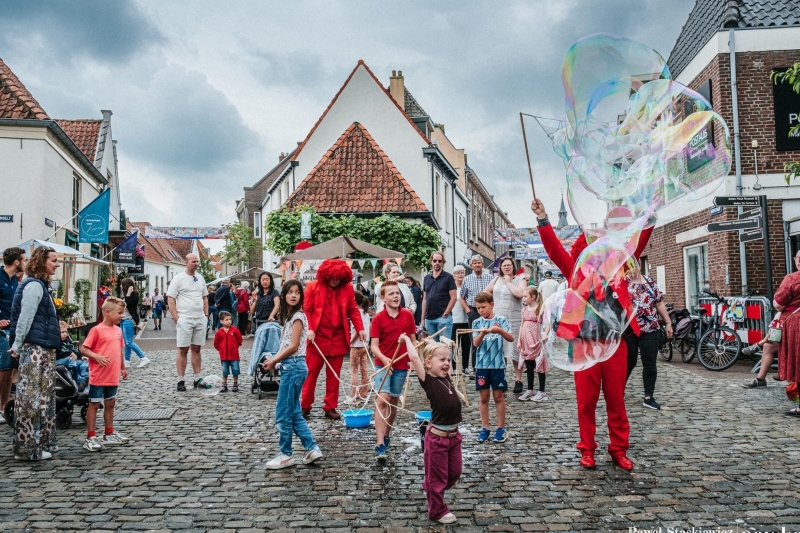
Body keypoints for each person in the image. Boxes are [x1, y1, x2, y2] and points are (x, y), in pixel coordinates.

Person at [532, 198, 651, 470]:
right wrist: (543, 219)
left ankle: (619, 449)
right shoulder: (574, 271)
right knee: (586, 402)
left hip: (615, 343)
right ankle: (587, 449)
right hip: (582, 344)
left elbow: (637, 244)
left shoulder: (617, 269)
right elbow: (554, 250)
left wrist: (650, 217)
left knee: (616, 400)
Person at [400, 334, 461, 525]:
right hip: (437, 439)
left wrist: (431, 344)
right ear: (428, 364)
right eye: (442, 360)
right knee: (438, 478)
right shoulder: (428, 380)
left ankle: (431, 486)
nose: (446, 363)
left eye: (448, 360)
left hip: (454, 436)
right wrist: (407, 340)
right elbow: (414, 358)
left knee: (455, 472)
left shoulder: (446, 377)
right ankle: (437, 510)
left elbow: (436, 355)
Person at [262, 280, 323, 469]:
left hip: (293, 366)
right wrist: (276, 359)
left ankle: (286, 454)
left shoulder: (298, 317)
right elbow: (287, 344)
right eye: (290, 292)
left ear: (301, 296)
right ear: (284, 295)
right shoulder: (290, 317)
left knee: (283, 413)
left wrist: (275, 361)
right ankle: (311, 448)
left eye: (297, 292)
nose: (294, 295)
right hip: (291, 366)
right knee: (295, 412)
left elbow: (294, 346)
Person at [8, 246, 60, 461]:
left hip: (42, 348)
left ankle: (39, 443)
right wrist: (17, 346)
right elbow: (25, 318)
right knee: (31, 400)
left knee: (42, 398)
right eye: (53, 260)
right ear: (41, 262)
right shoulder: (33, 286)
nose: (57, 264)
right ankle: (28, 448)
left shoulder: (41, 285)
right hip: (34, 350)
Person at [302, 259, 365, 420]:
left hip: (337, 337)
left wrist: (360, 328)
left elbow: (353, 310)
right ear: (326, 276)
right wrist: (309, 329)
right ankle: (305, 406)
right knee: (311, 373)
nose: (335, 281)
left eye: (339, 278)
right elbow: (307, 310)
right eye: (332, 277)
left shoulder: (348, 288)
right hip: (317, 337)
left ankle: (330, 406)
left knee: (334, 375)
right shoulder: (312, 287)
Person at [370, 280, 417, 459]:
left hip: (401, 365)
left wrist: (416, 358)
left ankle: (387, 434)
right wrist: (384, 359)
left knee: (393, 402)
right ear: (383, 298)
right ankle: (379, 442)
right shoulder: (378, 318)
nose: (396, 296)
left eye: (397, 293)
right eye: (391, 293)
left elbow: (413, 341)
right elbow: (374, 346)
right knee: (382, 400)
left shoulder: (408, 315)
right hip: (383, 364)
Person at [80, 296, 130, 451]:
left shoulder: (118, 331)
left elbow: (119, 351)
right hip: (99, 375)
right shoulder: (96, 330)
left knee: (110, 403)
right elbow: (84, 348)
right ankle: (90, 436)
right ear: (108, 312)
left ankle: (109, 433)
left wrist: (122, 367)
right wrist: (96, 356)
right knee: (94, 404)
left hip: (112, 375)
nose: (122, 316)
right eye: (119, 313)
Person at [625, 262, 672, 410]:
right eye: (628, 266)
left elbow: (659, 304)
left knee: (650, 363)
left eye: (634, 265)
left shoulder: (650, 282)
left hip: (651, 329)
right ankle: (618, 390)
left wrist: (668, 323)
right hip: (629, 330)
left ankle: (648, 397)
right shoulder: (622, 283)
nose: (632, 269)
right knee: (629, 361)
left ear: (639, 266)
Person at [472, 291, 513, 443]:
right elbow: (475, 344)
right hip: (482, 366)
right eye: (478, 308)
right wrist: (482, 334)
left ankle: (501, 428)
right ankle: (485, 428)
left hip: (498, 366)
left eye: (483, 307)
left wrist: (499, 331)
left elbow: (511, 338)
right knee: (483, 397)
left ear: (492, 304)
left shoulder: (501, 320)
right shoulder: (476, 323)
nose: (481, 310)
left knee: (498, 397)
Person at [166, 253, 209, 392]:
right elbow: (171, 298)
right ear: (186, 262)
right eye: (193, 261)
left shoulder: (200, 278)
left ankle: (197, 378)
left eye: (197, 261)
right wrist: (176, 318)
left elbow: (205, 298)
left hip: (199, 318)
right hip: (185, 318)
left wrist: (206, 315)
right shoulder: (178, 279)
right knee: (183, 349)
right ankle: (180, 380)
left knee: (197, 348)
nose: (196, 264)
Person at [485, 257, 527, 393]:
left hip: (514, 319)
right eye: (504, 265)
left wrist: (508, 282)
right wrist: (488, 306)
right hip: (498, 319)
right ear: (501, 268)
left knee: (515, 350)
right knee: (500, 349)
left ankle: (518, 380)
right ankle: (501, 379)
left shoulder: (520, 280)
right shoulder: (496, 280)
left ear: (513, 266)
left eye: (509, 265)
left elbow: (519, 294)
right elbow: (485, 293)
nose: (507, 267)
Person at [0, 247, 26, 424]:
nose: (25, 263)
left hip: (13, 328)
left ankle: (4, 406)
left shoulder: (16, 280)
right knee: (3, 368)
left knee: (10, 369)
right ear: (16, 262)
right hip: (2, 330)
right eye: (23, 260)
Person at [460, 256, 494, 376]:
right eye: (474, 263)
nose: (477, 265)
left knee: (489, 338)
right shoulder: (467, 279)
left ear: (483, 264)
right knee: (475, 339)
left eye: (479, 263)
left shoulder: (490, 278)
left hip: (488, 312)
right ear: (471, 266)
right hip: (473, 312)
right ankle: (475, 369)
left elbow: (494, 294)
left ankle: (490, 366)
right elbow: (462, 297)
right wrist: (468, 311)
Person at [777, 249, 800, 416]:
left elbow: (778, 303)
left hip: (796, 325)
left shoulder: (792, 279)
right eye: (798, 257)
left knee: (798, 361)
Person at [517, 286, 550, 401]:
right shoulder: (524, 310)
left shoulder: (540, 309)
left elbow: (547, 324)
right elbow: (521, 325)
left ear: (533, 297)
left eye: (525, 296)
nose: (523, 298)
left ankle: (542, 391)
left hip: (536, 340)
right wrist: (519, 340)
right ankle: (530, 390)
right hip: (526, 340)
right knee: (529, 366)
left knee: (540, 366)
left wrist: (545, 334)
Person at [421, 251, 457, 344]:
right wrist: (422, 318)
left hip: (443, 317)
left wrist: (446, 313)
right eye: (435, 260)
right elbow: (424, 299)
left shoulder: (449, 277)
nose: (437, 263)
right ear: (431, 262)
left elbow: (453, 298)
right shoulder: (426, 278)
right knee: (433, 347)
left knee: (445, 346)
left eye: (440, 261)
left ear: (443, 263)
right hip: (429, 319)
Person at [120, 278, 150, 369]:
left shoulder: (134, 294)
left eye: (122, 285)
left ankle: (143, 358)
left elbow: (128, 304)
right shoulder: (124, 294)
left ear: (126, 286)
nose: (120, 286)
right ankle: (127, 361)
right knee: (127, 342)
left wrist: (128, 293)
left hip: (129, 320)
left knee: (129, 342)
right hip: (123, 320)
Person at [214, 311, 243, 393]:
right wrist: (221, 349)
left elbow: (239, 339)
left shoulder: (235, 330)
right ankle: (224, 384)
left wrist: (235, 346)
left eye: (230, 319)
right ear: (221, 321)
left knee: (235, 369)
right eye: (226, 320)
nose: (229, 321)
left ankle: (235, 383)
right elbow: (216, 343)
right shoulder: (219, 332)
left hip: (234, 355)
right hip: (224, 356)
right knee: (225, 371)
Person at [450, 265, 471, 376]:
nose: (460, 274)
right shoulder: (452, 288)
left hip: (466, 320)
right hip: (454, 320)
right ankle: (454, 367)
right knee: (454, 345)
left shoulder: (468, 286)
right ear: (454, 275)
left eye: (462, 272)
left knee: (466, 345)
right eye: (458, 273)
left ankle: (465, 367)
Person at [349, 292, 371, 400]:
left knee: (354, 370)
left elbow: (358, 331)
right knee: (364, 369)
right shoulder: (366, 314)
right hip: (365, 345)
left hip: (356, 345)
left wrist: (350, 342)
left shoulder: (356, 314)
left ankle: (354, 393)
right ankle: (364, 391)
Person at [56, 321, 89, 390]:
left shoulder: (67, 340)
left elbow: (74, 349)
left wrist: (81, 356)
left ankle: (83, 378)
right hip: (60, 360)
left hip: (71, 360)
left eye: (66, 332)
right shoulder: (56, 342)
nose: (65, 334)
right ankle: (77, 377)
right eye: (62, 332)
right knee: (70, 359)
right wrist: (69, 353)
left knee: (84, 361)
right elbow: (58, 353)